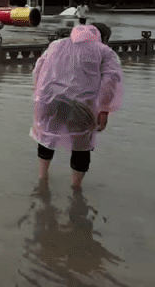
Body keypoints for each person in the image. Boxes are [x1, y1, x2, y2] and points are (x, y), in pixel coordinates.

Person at [31, 22, 124, 189]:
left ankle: (42, 178)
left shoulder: (57, 44)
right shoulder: (104, 51)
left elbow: (38, 68)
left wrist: (39, 95)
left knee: (47, 136)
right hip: (81, 103)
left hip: (49, 99)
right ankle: (76, 189)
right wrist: (104, 110)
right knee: (81, 143)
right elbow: (110, 80)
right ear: (104, 38)